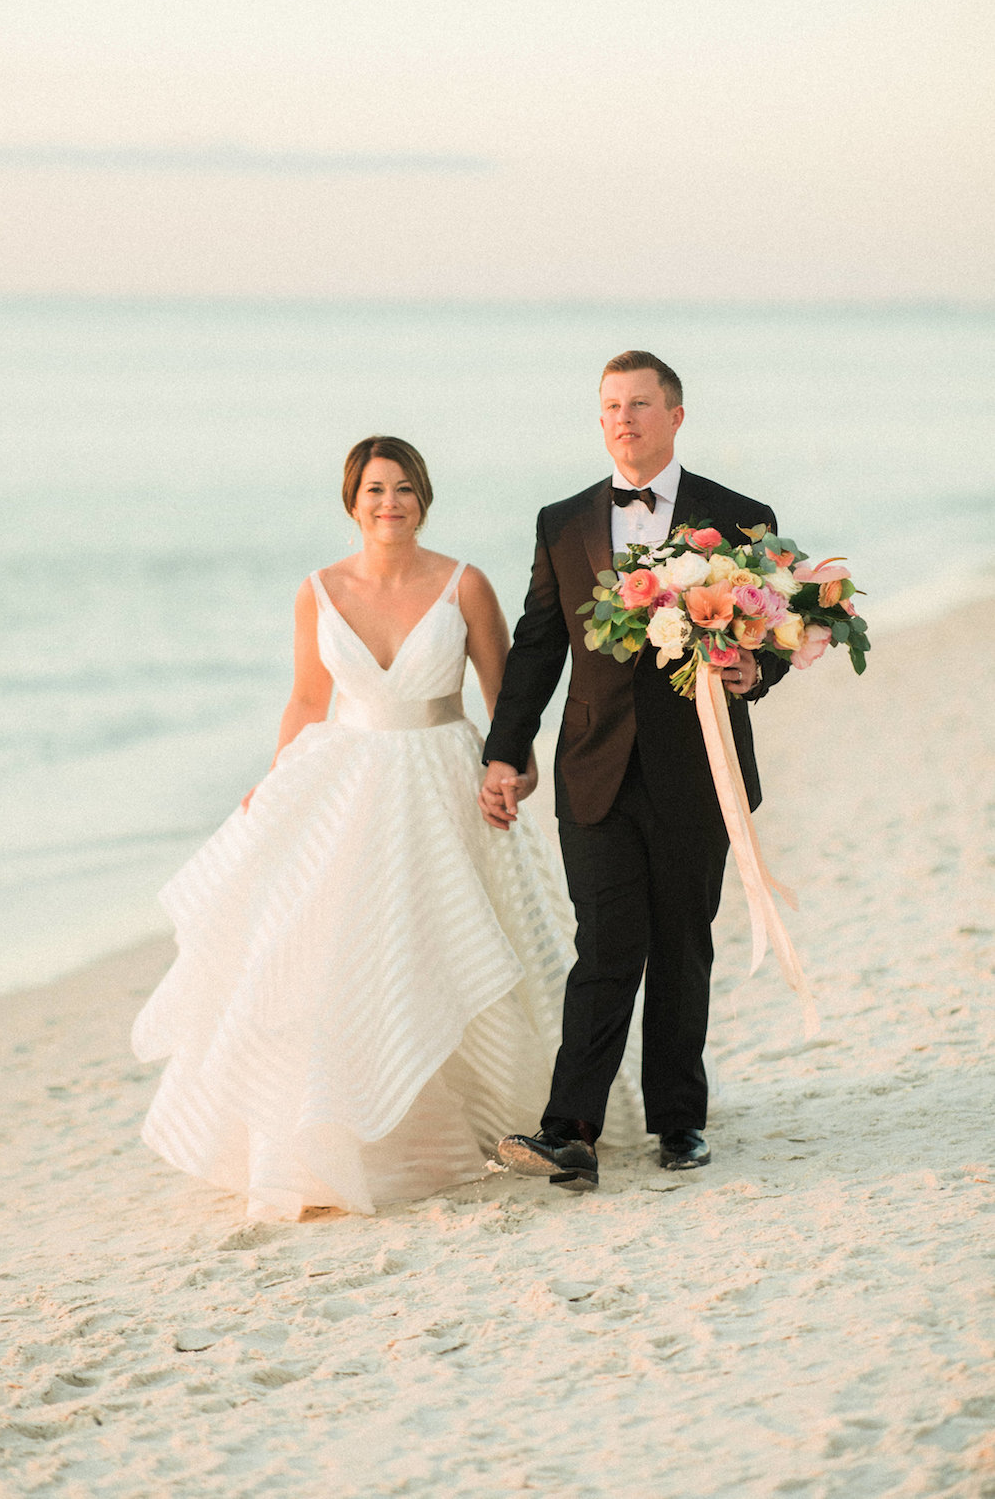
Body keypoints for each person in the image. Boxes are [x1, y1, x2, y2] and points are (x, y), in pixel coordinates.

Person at [132, 435, 574, 1220]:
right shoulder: (317, 590)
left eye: (403, 488)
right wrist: (274, 786)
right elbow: (307, 701)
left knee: (447, 951)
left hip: (444, 782)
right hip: (345, 783)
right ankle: (362, 1149)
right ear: (352, 501)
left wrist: (516, 768)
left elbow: (510, 700)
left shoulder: (465, 584)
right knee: (337, 956)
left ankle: (516, 1124)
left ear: (424, 497)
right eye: (374, 489)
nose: (390, 503)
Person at [479, 352, 788, 1186]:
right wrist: (507, 750)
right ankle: (569, 1127)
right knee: (607, 942)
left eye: (641, 404)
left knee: (682, 946)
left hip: (700, 768)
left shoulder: (740, 515)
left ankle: (679, 1122)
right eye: (611, 405)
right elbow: (539, 645)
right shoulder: (563, 520)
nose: (625, 418)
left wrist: (753, 674)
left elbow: (775, 634)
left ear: (676, 416)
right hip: (594, 768)